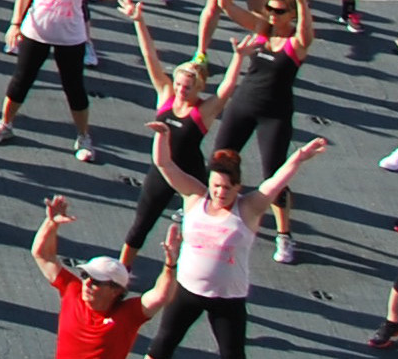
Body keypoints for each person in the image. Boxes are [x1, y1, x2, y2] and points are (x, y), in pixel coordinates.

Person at [143, 134, 332, 359]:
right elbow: (165, 164)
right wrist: (163, 135)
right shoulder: (195, 196)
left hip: (228, 298)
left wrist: (299, 157)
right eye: (216, 186)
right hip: (187, 290)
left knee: (232, 354)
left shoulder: (248, 207)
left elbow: (275, 183)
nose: (220, 193)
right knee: (163, 343)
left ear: (237, 186)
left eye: (227, 187)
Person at [31, 196, 163, 359]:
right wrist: (51, 223)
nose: (87, 283)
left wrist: (171, 266)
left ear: (115, 290)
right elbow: (42, 255)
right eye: (85, 275)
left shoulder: (128, 314)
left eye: (96, 281)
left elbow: (160, 295)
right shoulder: (73, 291)